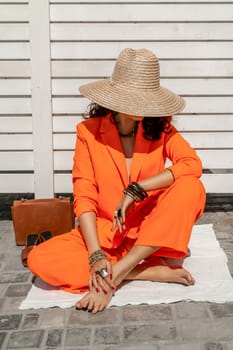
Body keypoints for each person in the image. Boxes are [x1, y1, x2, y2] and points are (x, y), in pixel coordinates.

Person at [28, 48, 206, 313]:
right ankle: (143, 270)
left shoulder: (162, 127)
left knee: (192, 186)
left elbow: (192, 165)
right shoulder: (88, 132)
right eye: (135, 100)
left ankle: (119, 270)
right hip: (106, 231)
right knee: (39, 260)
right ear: (115, 98)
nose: (142, 109)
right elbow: (84, 193)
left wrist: (137, 189)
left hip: (148, 228)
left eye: (147, 100)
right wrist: (95, 254)